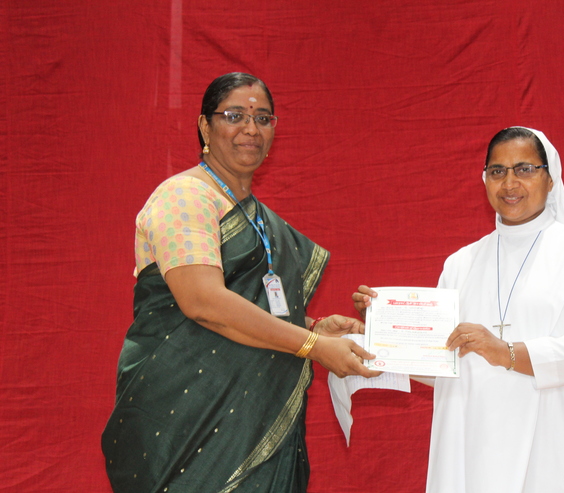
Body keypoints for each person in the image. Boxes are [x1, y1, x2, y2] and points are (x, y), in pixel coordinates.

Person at [102, 72, 379, 493]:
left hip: (253, 424)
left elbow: (251, 309)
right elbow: (204, 303)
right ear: (204, 126)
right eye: (234, 116)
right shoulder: (184, 196)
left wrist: (313, 329)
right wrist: (313, 346)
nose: (251, 129)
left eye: (263, 118)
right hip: (184, 422)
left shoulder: (260, 219)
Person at [354, 127, 564, 492]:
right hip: (477, 442)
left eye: (525, 169)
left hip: (561, 442)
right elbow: (444, 363)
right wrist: (381, 334)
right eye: (497, 171)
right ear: (484, 179)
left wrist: (506, 352)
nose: (510, 183)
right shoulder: (461, 263)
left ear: (551, 178)